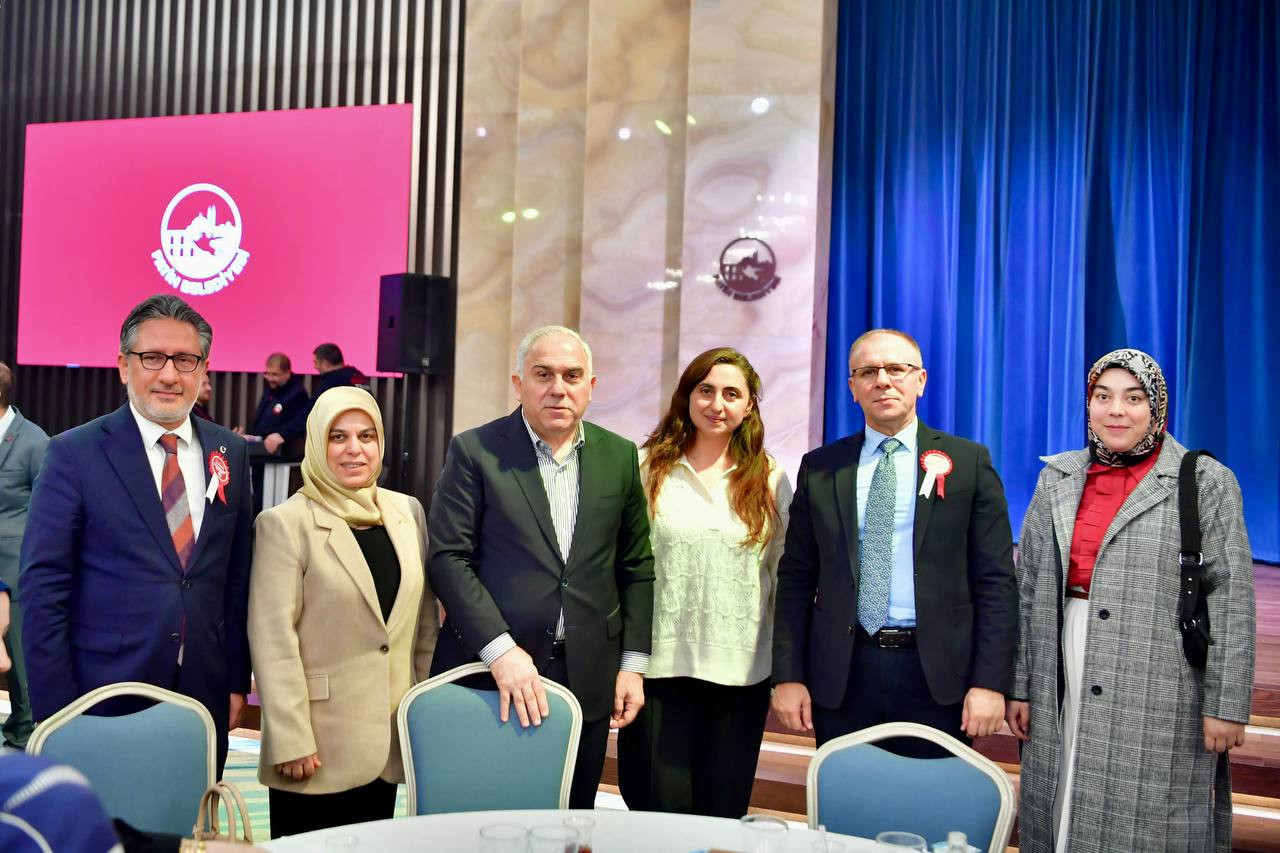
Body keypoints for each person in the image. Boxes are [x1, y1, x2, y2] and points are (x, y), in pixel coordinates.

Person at [1006, 348, 1256, 853]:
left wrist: (1227, 704)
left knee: (1149, 819)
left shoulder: (1205, 481)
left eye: (1133, 398)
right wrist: (1020, 685)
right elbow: (1028, 587)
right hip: (1061, 664)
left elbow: (1231, 598)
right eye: (1103, 397)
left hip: (1160, 679)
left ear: (1157, 406)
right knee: (1059, 801)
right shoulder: (1057, 477)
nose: (1116, 410)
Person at [20, 294, 253, 773]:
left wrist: (235, 680)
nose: (169, 374)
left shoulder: (229, 451)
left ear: (204, 369)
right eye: (152, 358)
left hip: (202, 692)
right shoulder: (74, 454)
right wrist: (56, 711)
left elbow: (235, 577)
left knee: (192, 816)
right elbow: (43, 589)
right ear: (124, 366)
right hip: (100, 692)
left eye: (185, 360)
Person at [427, 325, 655, 809]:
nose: (558, 388)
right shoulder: (475, 451)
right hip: (491, 675)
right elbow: (449, 558)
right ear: (519, 384)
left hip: (588, 675)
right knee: (486, 821)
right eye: (543, 374)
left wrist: (633, 665)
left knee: (572, 820)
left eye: (572, 376)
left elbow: (636, 564)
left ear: (591, 386)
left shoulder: (619, 455)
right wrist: (500, 652)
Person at [771, 329, 1017, 754]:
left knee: (930, 795)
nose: (882, 381)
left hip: (939, 674)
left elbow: (996, 580)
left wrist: (990, 682)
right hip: (843, 672)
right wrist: (788, 675)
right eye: (868, 372)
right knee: (846, 793)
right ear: (853, 388)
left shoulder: (968, 462)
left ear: (920, 380)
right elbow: (795, 577)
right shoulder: (821, 467)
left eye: (896, 369)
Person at [249, 386, 439, 837]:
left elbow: (424, 627)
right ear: (317, 444)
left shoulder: (407, 512)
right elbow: (273, 639)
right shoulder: (284, 524)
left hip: (389, 741)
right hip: (315, 748)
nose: (355, 449)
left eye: (366, 436)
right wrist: (289, 738)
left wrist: (425, 719)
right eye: (338, 437)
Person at [616, 347, 792, 818]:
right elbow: (622, 568)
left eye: (731, 394)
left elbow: (783, 575)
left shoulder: (770, 478)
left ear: (749, 406)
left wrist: (786, 670)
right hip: (658, 670)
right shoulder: (645, 467)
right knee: (655, 813)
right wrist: (624, 662)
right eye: (706, 390)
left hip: (741, 674)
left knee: (722, 815)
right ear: (686, 397)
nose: (717, 404)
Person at [0, 363, 48, 749]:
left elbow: (47, 509)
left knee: (18, 660)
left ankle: (26, 734)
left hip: (15, 566)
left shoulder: (34, 441)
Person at [237, 352, 310, 455]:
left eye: (275, 374)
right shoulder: (272, 388)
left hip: (283, 454)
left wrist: (280, 435)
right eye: (267, 373)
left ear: (287, 374)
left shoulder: (297, 394)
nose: (270, 378)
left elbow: (296, 425)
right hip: (262, 449)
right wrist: (251, 436)